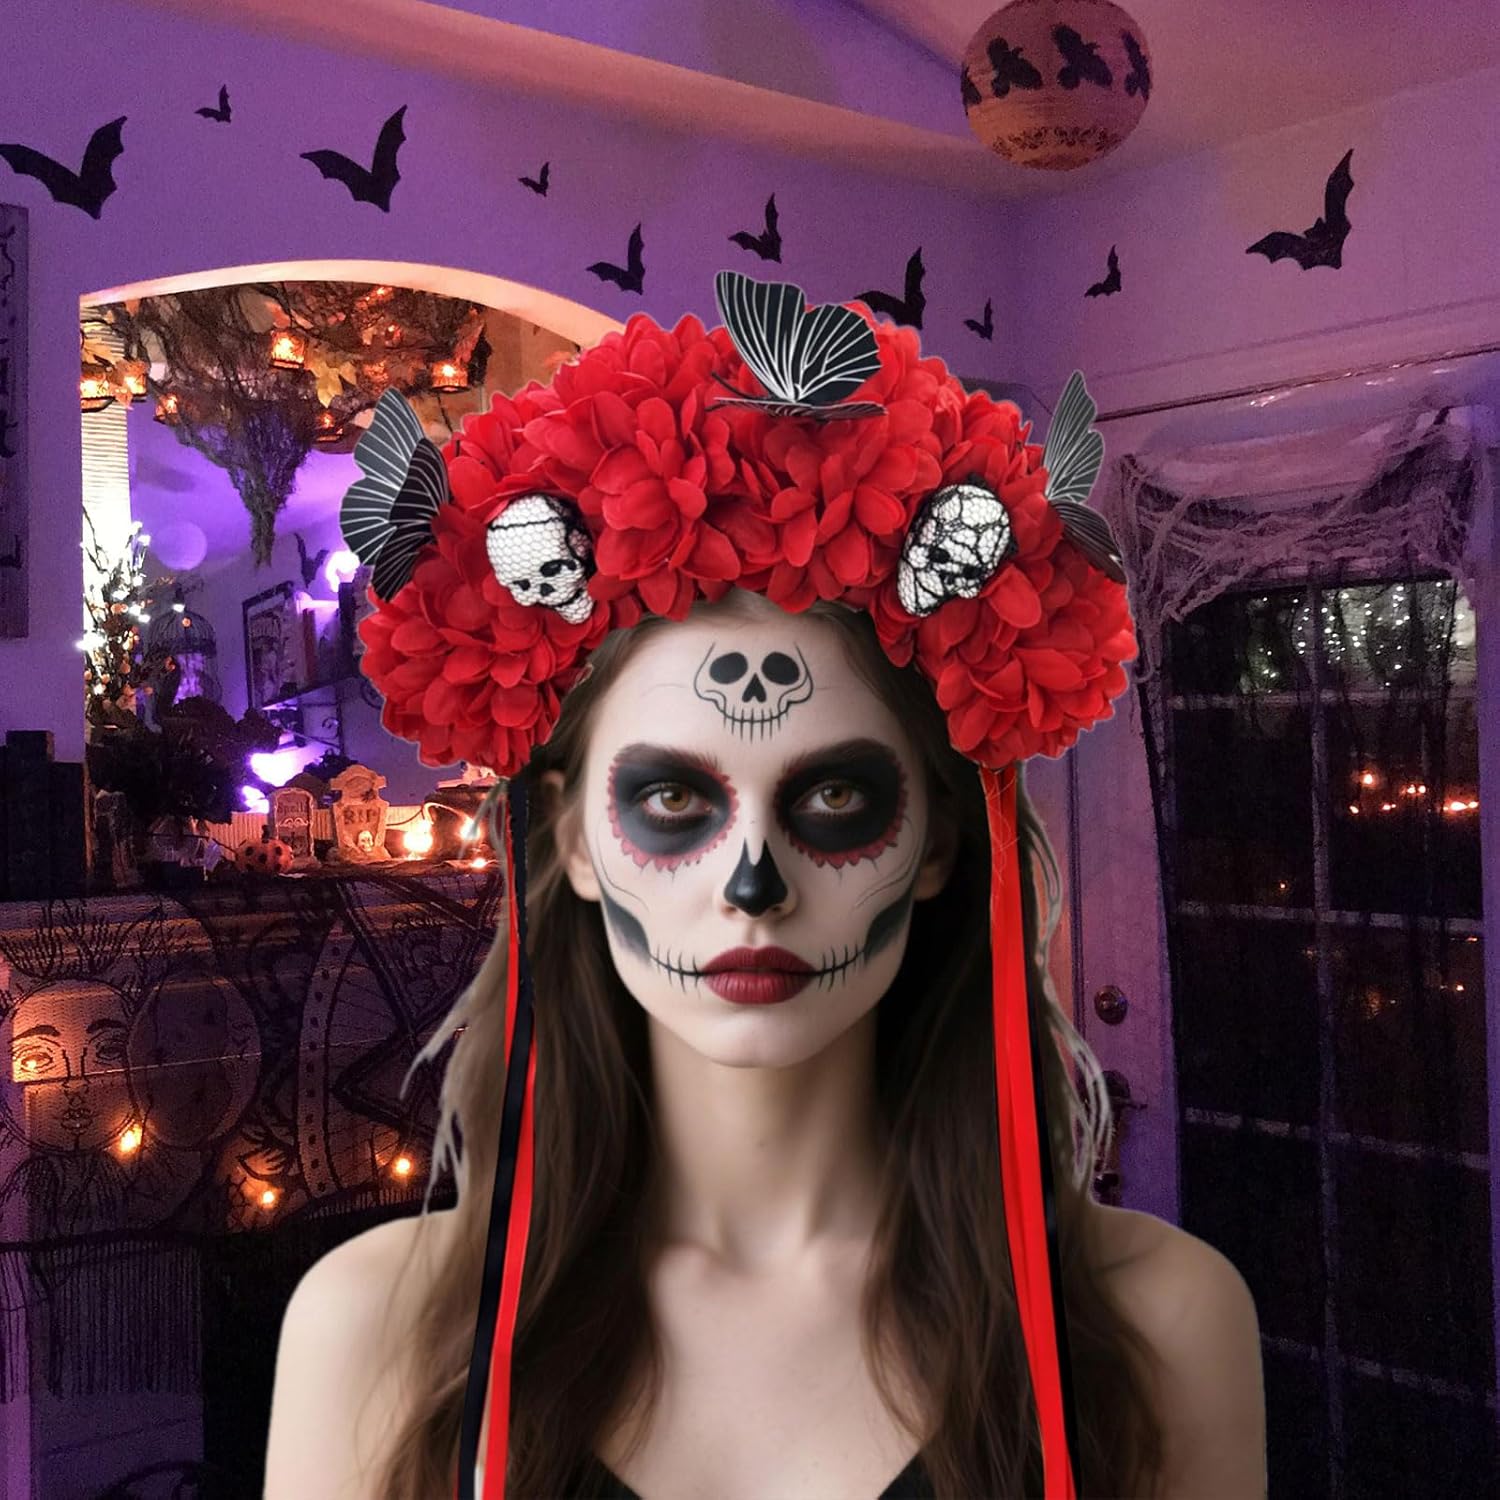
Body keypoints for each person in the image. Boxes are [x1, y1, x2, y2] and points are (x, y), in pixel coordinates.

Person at [265, 274, 1266, 1499]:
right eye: (673, 800)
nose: (753, 886)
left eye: (835, 798)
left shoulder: (1161, 1326)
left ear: (940, 841)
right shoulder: (373, 1337)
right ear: (570, 838)